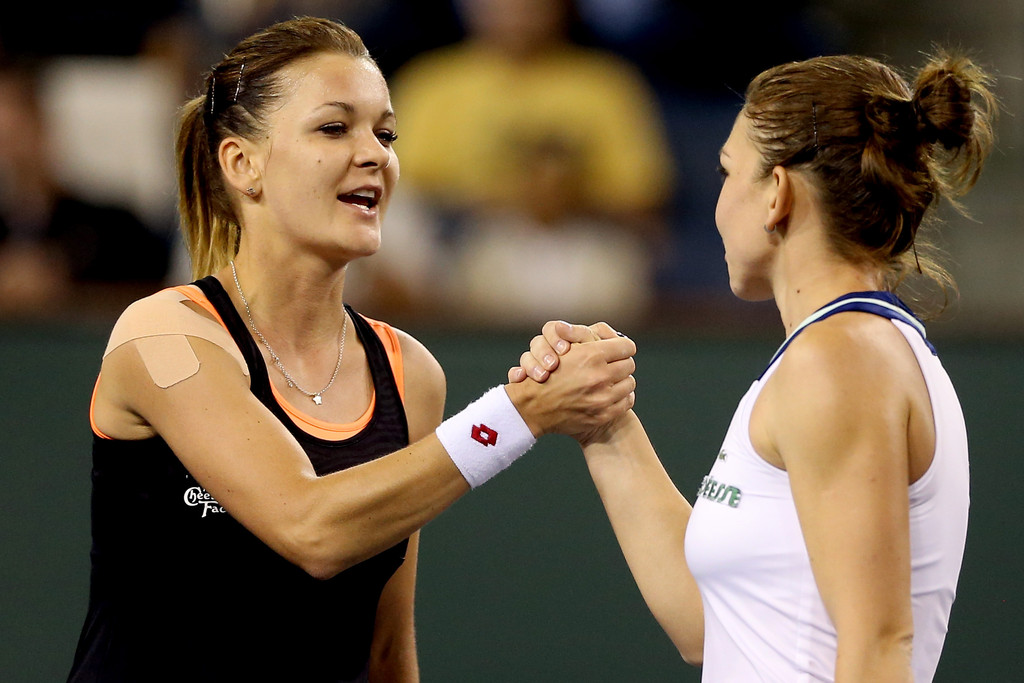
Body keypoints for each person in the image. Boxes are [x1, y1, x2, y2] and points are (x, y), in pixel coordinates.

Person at [65, 17, 637, 683]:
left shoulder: (410, 372)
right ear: (242, 164)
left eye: (385, 133)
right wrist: (520, 414)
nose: (375, 154)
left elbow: (388, 652)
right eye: (335, 128)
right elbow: (312, 529)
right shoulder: (163, 335)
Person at [512, 50, 994, 681]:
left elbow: (878, 647)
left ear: (777, 193)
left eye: (726, 173)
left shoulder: (840, 362)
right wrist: (605, 426)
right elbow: (711, 626)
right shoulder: (837, 353)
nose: (715, 206)